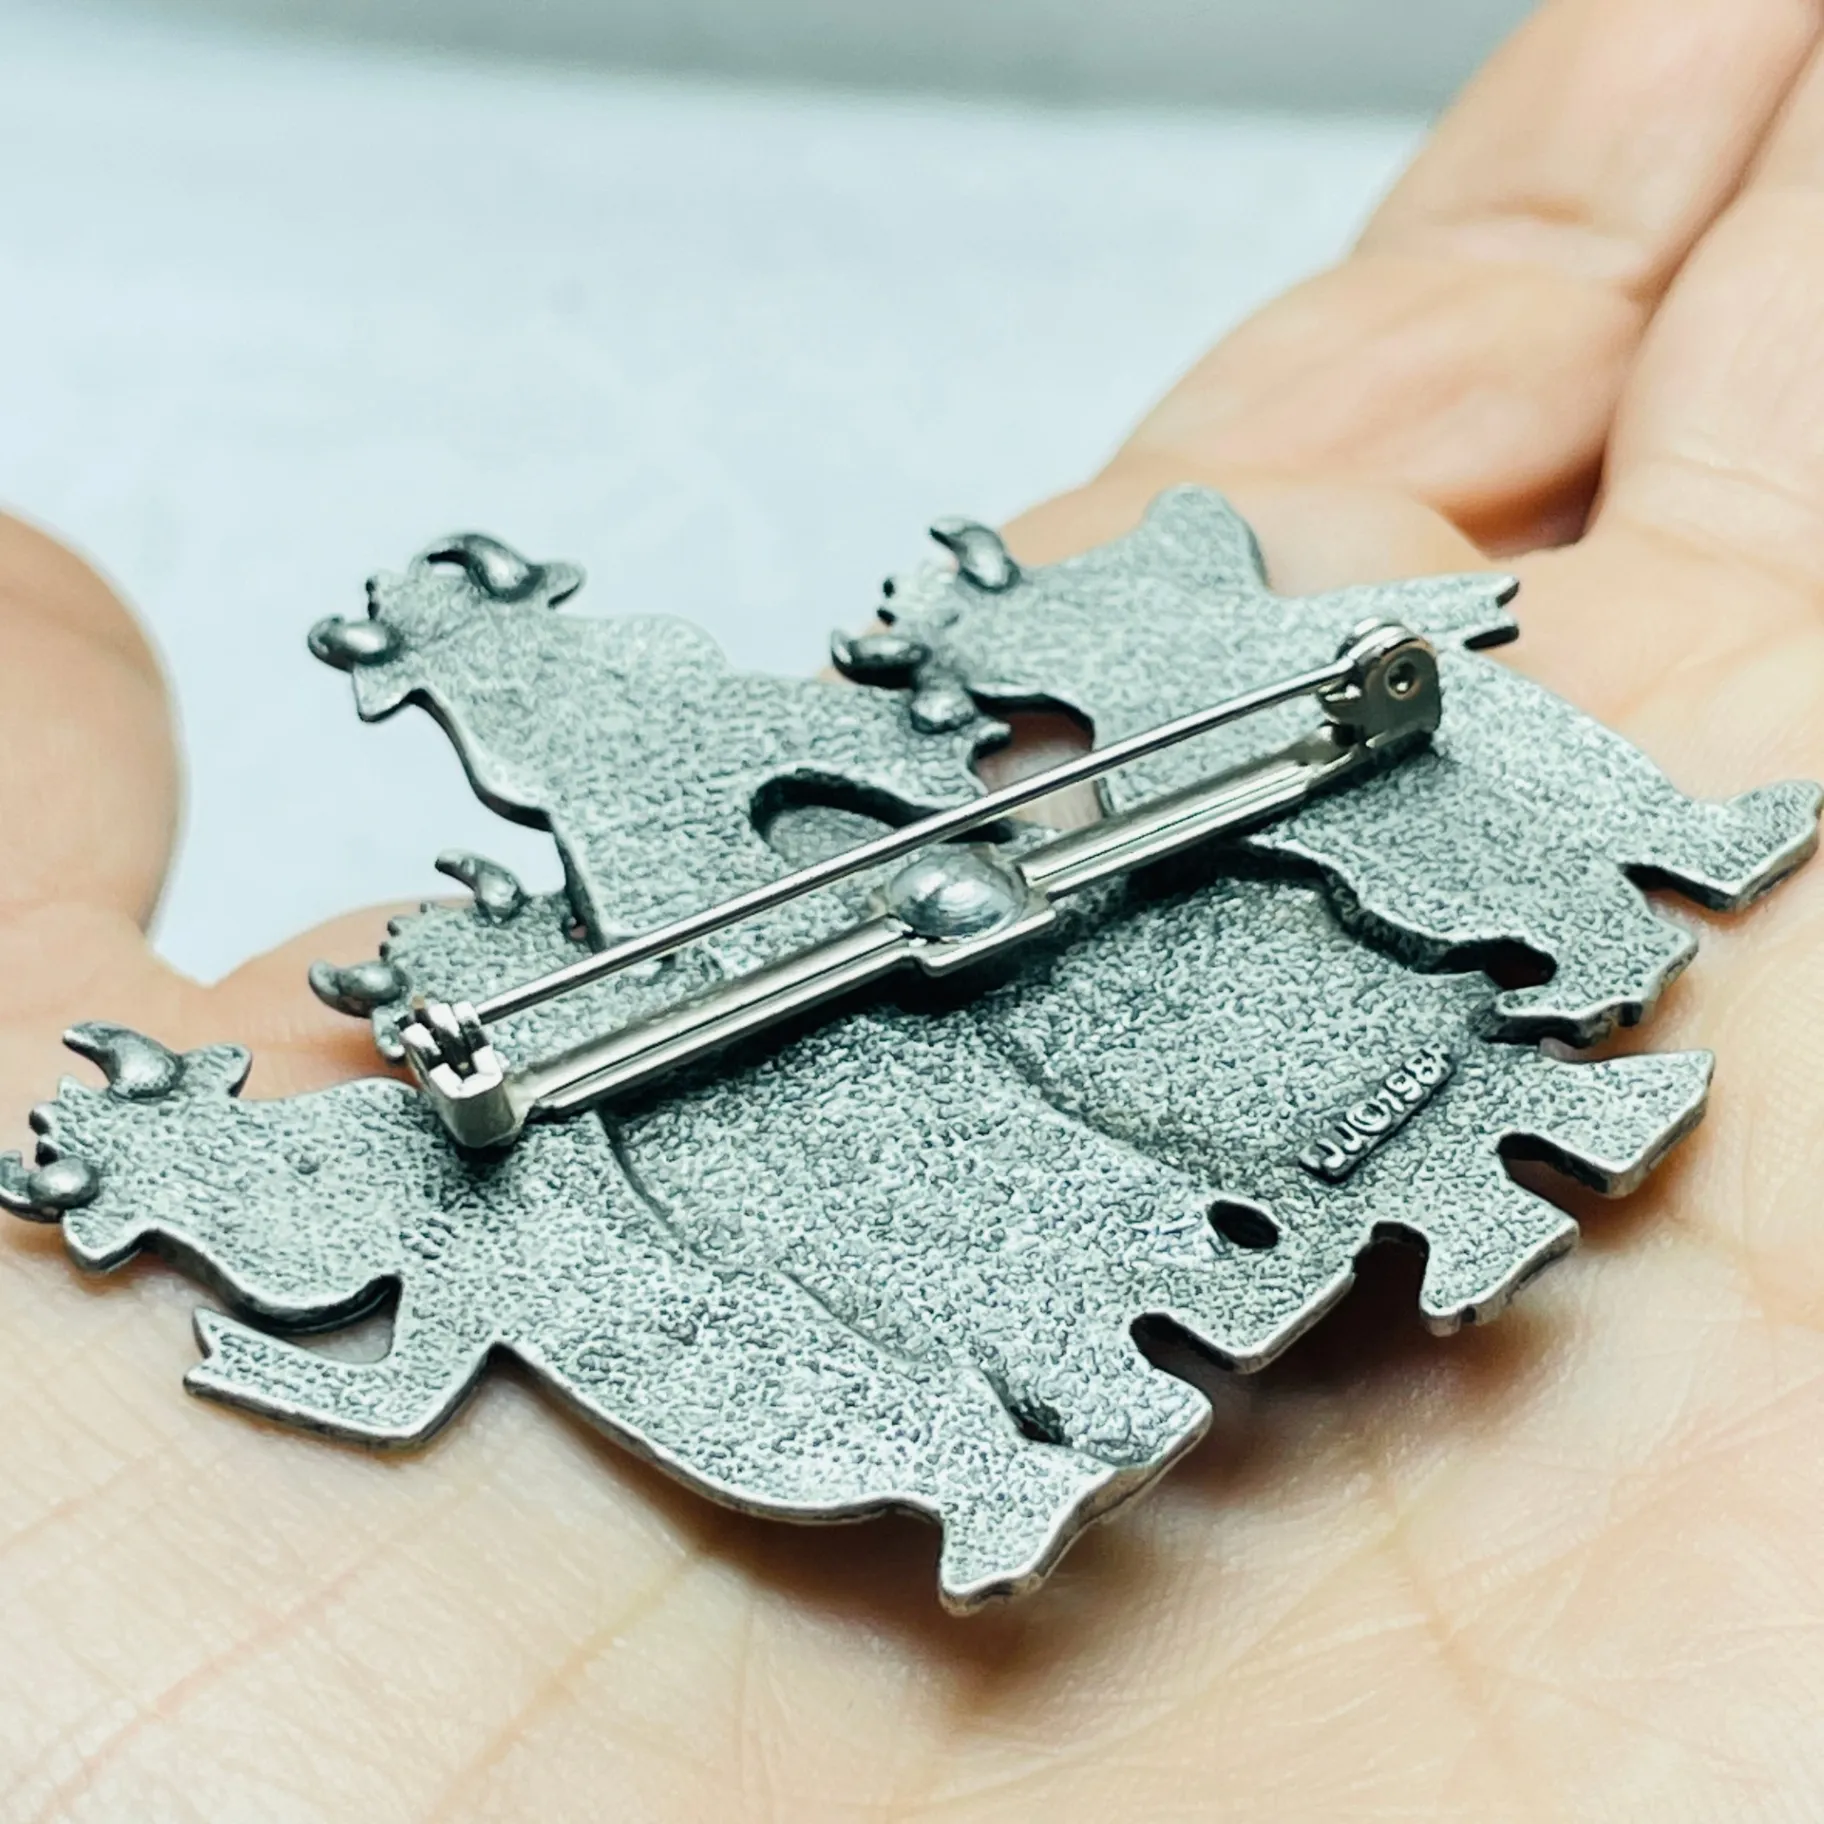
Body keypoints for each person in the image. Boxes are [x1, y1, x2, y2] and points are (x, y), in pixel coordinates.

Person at [5, 0, 1822, 1813]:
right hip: (803, 1081)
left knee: (1194, 1082)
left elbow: (860, 769)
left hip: (971, 954)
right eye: (468, 666)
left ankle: (1482, 1155)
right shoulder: (608, 889)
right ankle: (1116, 1388)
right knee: (1050, 1207)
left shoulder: (702, 727)